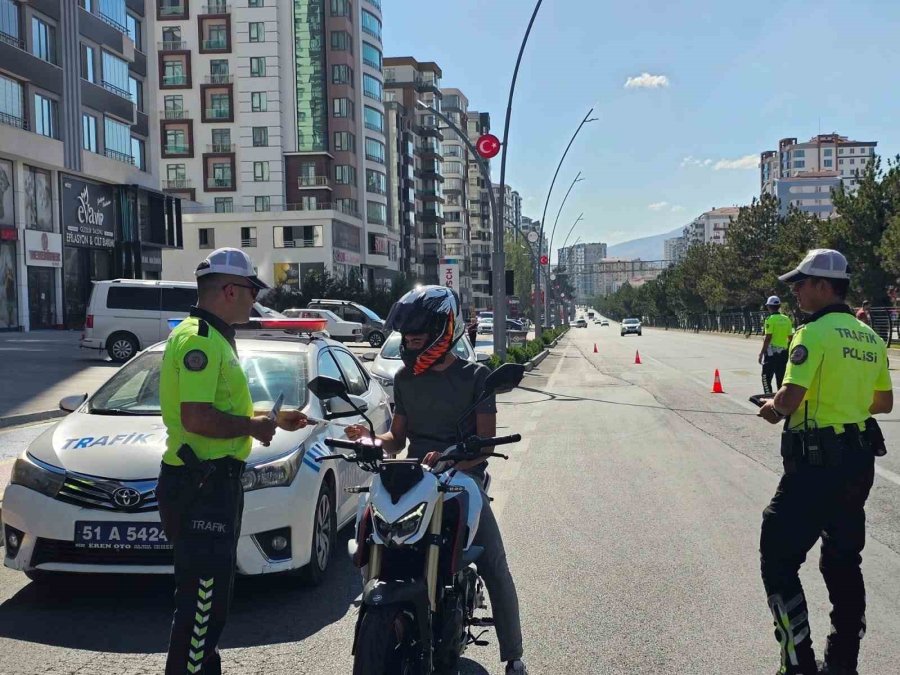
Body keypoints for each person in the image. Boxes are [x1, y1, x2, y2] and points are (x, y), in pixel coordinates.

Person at [344, 286, 528, 675]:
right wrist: (370, 439)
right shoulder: (405, 379)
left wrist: (455, 456)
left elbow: (483, 443)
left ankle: (514, 657)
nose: (410, 341)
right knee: (374, 533)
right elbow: (397, 437)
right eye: (407, 335)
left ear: (444, 330)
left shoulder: (476, 377)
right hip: (417, 475)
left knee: (493, 561)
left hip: (463, 477)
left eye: (418, 334)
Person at [156, 248, 308, 675]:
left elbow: (218, 407)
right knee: (202, 609)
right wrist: (253, 428)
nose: (253, 300)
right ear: (228, 290)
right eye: (249, 291)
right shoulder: (200, 341)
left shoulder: (212, 336)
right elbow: (197, 417)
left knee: (208, 605)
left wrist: (272, 419)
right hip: (202, 487)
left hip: (209, 484)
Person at [757, 249, 893, 675]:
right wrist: (844, 399)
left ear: (824, 286)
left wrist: (772, 408)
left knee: (777, 553)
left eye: (801, 283)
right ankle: (843, 663)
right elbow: (883, 402)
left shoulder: (810, 334)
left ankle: (798, 662)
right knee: (843, 560)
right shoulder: (869, 337)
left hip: (815, 464)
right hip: (858, 464)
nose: (795, 291)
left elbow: (790, 398)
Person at [758, 295, 794, 395]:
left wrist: (761, 353)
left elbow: (768, 337)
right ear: (779, 306)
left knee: (766, 377)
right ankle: (780, 399)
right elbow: (791, 337)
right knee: (781, 378)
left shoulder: (770, 319)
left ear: (769, 307)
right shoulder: (787, 319)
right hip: (783, 353)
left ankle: (768, 397)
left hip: (771, 354)